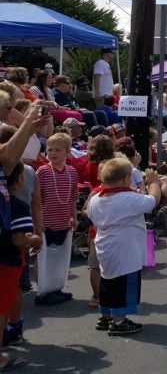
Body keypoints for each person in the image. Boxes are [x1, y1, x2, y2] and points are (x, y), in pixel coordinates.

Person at [85, 158, 161, 335]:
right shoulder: (128, 198)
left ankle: (106, 316)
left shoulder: (96, 198)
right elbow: (152, 200)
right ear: (126, 178)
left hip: (104, 244)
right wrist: (154, 183)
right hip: (125, 247)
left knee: (108, 281)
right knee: (123, 283)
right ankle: (119, 321)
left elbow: (90, 215)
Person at [0, 162, 39, 370]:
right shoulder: (17, 204)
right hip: (7, 260)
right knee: (2, 306)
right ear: (20, 179)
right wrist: (34, 240)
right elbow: (18, 239)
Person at [33, 133, 78, 305]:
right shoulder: (43, 172)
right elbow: (37, 199)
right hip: (46, 222)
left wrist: (73, 217)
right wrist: (39, 221)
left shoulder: (72, 172)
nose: (52, 153)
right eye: (49, 149)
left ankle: (55, 286)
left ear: (67, 152)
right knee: (43, 257)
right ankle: (43, 290)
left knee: (59, 257)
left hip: (63, 221)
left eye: (57, 150)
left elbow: (72, 197)